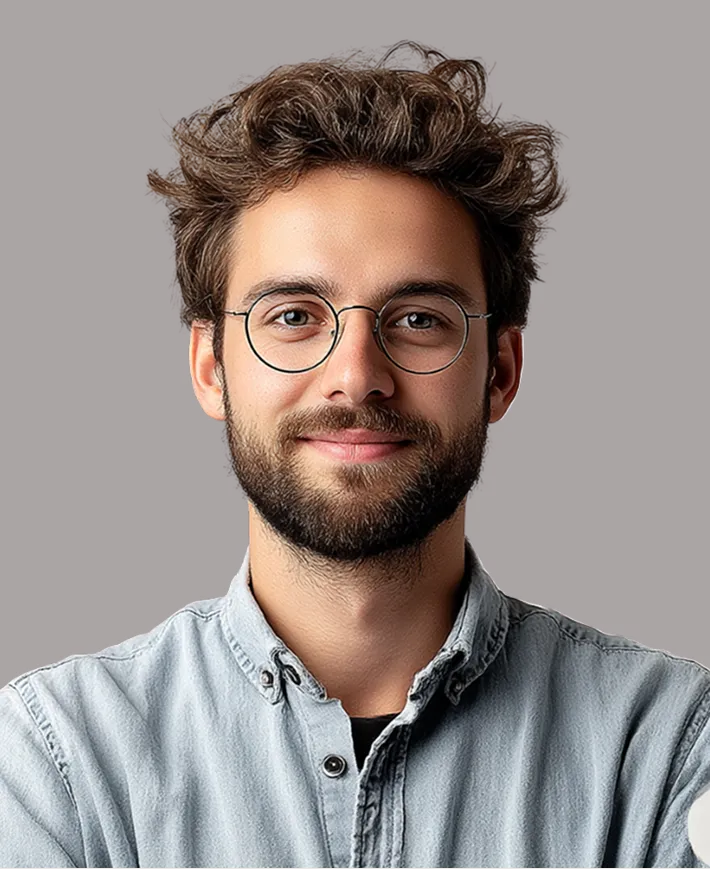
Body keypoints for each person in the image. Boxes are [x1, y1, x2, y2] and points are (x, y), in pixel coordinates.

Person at [1, 44, 708, 869]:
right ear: (210, 367)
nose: (356, 378)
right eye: (294, 315)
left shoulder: (667, 749)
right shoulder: (58, 759)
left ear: (502, 372)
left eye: (418, 319)